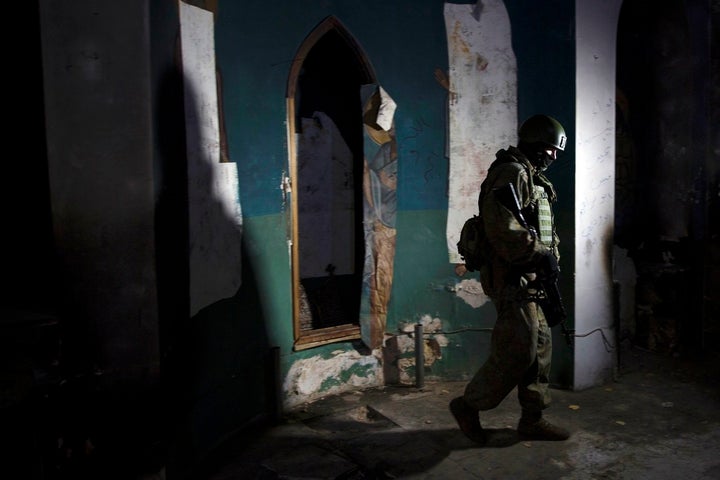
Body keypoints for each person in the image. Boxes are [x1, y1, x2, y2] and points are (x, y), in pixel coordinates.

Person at [451, 114, 570, 443]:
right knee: (519, 349)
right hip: (512, 277)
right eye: (551, 149)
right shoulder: (512, 172)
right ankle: (468, 405)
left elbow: (543, 229)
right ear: (536, 144)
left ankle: (532, 419)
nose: (554, 157)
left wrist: (549, 258)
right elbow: (502, 226)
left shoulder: (534, 179)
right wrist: (538, 255)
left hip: (534, 277)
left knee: (540, 347)